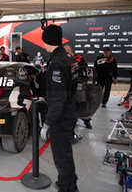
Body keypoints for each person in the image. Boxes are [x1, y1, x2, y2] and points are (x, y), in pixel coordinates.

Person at [40, 25, 79, 192]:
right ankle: (67, 181)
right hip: (70, 110)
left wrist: (47, 124)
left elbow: (58, 98)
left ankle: (68, 188)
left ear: (48, 41)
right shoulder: (69, 58)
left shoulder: (57, 62)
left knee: (61, 155)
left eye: (44, 42)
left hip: (62, 116)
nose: (44, 45)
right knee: (65, 152)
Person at [64, 45, 91, 129]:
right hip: (68, 84)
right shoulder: (64, 59)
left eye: (66, 51)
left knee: (81, 103)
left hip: (79, 82)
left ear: (70, 50)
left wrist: (85, 80)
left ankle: (87, 120)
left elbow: (86, 69)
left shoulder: (79, 58)